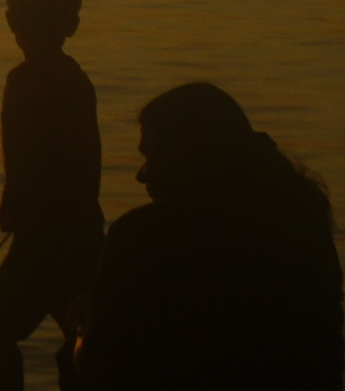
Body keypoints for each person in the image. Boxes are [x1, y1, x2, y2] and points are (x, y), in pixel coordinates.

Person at [78, 81, 342, 388]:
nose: (141, 174)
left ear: (185, 148)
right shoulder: (301, 216)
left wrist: (83, 328)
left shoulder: (142, 235)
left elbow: (99, 362)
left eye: (151, 154)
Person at [0, 0, 104, 391]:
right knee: (76, 336)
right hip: (72, 231)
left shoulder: (33, 80)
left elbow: (50, 159)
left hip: (50, 236)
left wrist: (19, 205)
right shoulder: (68, 78)